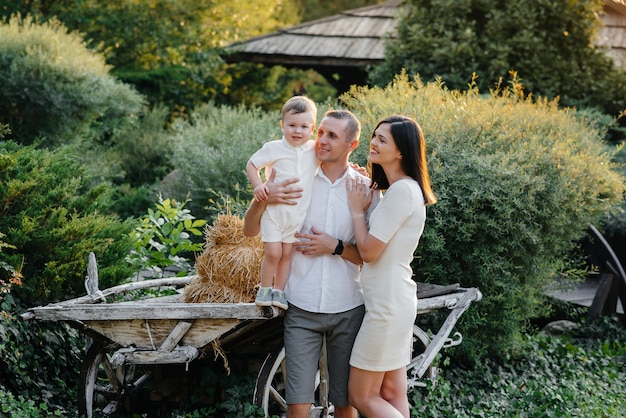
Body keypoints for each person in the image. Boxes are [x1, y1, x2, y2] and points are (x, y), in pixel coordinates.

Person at [243, 109, 379, 418]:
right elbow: (250, 231)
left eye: (332, 135)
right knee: (297, 406)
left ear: (352, 145)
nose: (322, 140)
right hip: (300, 308)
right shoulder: (292, 178)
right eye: (321, 133)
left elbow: (373, 257)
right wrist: (263, 197)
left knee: (347, 404)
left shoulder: (366, 190)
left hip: (348, 308)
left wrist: (336, 247)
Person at [345, 115, 437, 418]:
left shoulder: (402, 192)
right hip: (395, 301)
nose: (373, 142)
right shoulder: (400, 190)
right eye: (374, 135)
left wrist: (357, 212)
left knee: (360, 395)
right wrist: (369, 196)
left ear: (401, 152)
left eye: (382, 139)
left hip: (386, 306)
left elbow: (369, 252)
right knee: (391, 393)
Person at [246, 96, 319, 310]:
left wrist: (354, 168)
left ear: (312, 128)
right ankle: (264, 289)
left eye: (304, 126)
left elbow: (335, 160)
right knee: (274, 253)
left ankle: (279, 291)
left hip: (296, 216)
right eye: (292, 125)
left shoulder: (314, 150)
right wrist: (258, 185)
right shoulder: (274, 148)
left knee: (288, 254)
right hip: (274, 215)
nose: (297, 131)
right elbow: (251, 164)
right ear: (282, 125)